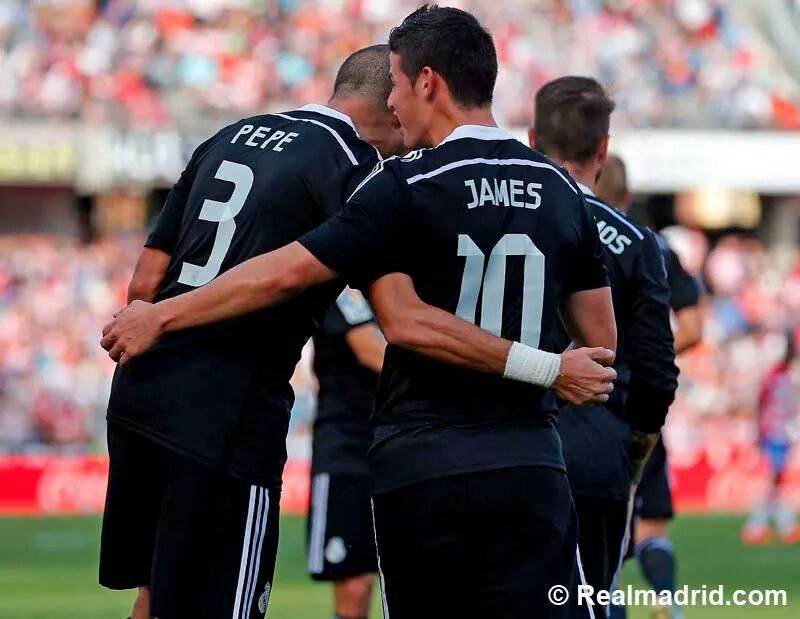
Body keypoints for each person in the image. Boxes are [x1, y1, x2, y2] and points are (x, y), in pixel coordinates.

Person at [101, 6, 619, 617]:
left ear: (427, 82)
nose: (396, 103)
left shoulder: (380, 177)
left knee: (156, 595)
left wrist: (157, 317)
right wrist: (548, 372)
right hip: (521, 457)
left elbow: (167, 278)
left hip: (395, 454)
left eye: (400, 84)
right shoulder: (558, 191)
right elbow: (599, 345)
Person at [99, 45, 407, 619]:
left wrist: (162, 324)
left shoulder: (231, 134)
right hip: (225, 411)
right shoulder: (353, 165)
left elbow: (146, 281)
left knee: (155, 593)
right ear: (392, 105)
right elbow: (387, 308)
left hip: (141, 392)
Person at [529, 77, 679, 617]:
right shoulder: (638, 242)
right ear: (603, 149)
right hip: (595, 447)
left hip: (498, 442)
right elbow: (657, 370)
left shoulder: (490, 213)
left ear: (530, 140)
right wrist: (636, 444)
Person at [597, 155, 703, 619]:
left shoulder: (565, 231)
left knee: (597, 546)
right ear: (628, 193)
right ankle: (666, 601)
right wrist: (650, 354)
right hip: (645, 403)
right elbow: (694, 326)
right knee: (652, 520)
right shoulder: (655, 246)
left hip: (587, 400)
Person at [307, 287, 385, 619]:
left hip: (397, 447)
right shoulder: (345, 290)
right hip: (347, 450)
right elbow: (371, 351)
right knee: (355, 583)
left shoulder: (402, 283)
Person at [742, 330, 800, 546]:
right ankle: (763, 527)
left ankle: (769, 527)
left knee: (775, 484)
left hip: (782, 434)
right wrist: (759, 432)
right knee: (774, 482)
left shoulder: (783, 376)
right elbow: (762, 404)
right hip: (774, 434)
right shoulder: (775, 377)